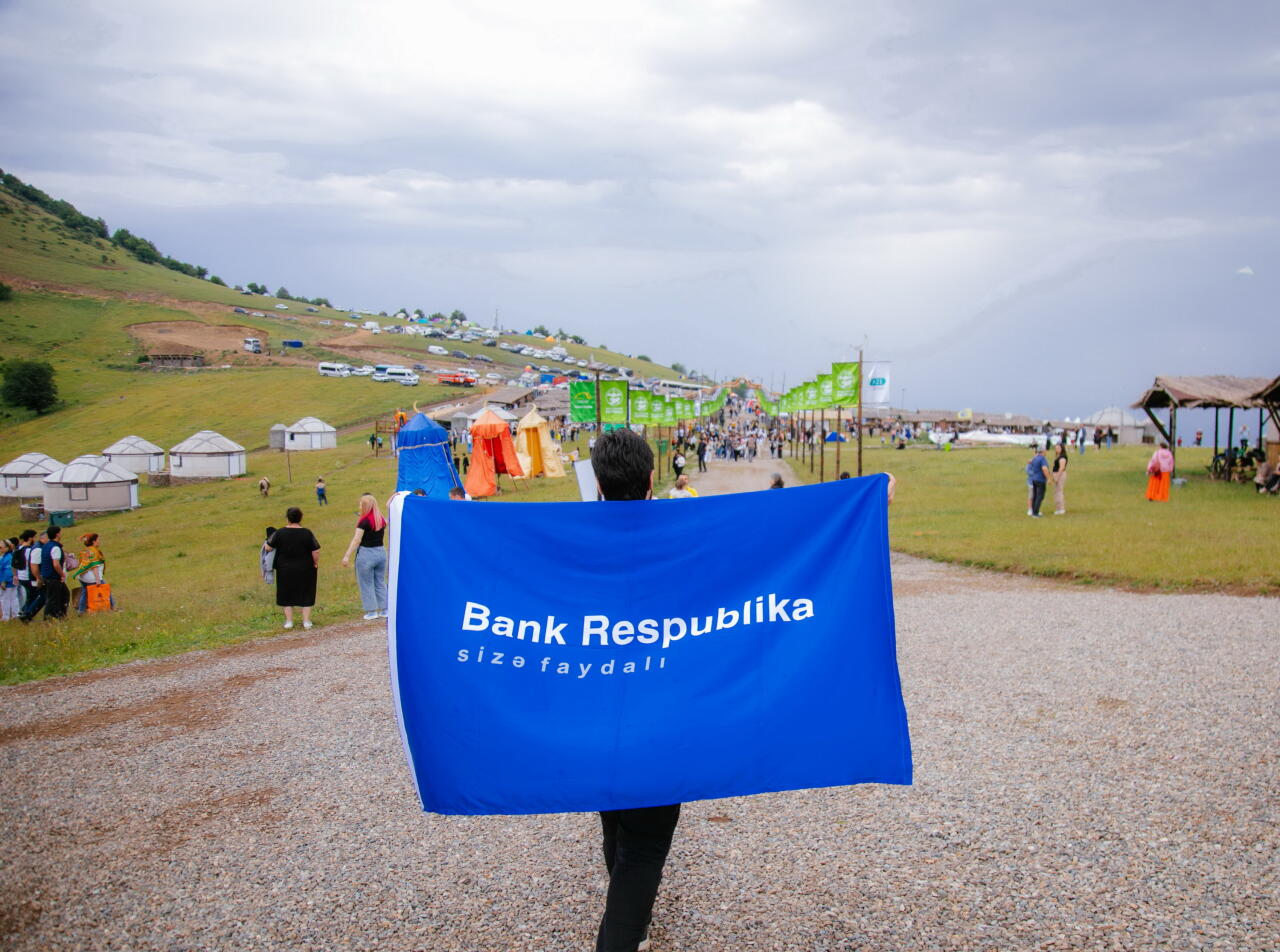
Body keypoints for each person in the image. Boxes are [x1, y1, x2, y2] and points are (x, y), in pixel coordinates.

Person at [589, 429, 680, 952]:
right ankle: (622, 936)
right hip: (659, 716)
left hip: (596, 712)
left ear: (598, 482)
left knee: (617, 821)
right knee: (643, 847)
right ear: (652, 478)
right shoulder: (682, 534)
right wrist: (870, 496)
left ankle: (632, 921)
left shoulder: (568, 540)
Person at [264, 507, 320, 629]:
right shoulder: (307, 533)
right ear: (301, 518)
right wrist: (315, 563)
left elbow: (268, 547)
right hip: (305, 567)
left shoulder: (279, 533)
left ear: (287, 518)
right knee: (307, 592)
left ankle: (289, 621)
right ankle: (306, 621)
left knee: (286, 593)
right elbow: (316, 550)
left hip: (284, 568)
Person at [341, 493, 387, 620]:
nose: (359, 506)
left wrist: (347, 556)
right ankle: (385, 609)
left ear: (365, 506)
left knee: (366, 583)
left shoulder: (364, 521)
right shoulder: (381, 520)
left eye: (361, 504)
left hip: (367, 554)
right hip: (381, 553)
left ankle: (371, 611)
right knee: (380, 582)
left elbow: (357, 540)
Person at [37, 525, 69, 620]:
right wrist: (62, 574)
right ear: (57, 534)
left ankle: (59, 614)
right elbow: (56, 564)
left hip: (47, 575)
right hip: (53, 576)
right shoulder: (55, 548)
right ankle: (51, 617)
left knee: (63, 594)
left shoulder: (46, 545)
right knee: (54, 598)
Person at [72, 532, 109, 613]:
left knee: (85, 593)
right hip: (91, 578)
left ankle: (81, 611)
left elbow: (81, 564)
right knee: (106, 590)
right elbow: (94, 566)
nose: (99, 541)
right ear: (93, 542)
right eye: (98, 540)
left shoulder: (85, 551)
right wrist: (97, 579)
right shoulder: (94, 551)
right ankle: (110, 608)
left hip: (82, 577)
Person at [1026, 446, 1049, 517]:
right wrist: (1049, 478)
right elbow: (1044, 468)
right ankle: (1035, 513)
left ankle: (1033, 511)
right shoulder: (1042, 459)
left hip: (1034, 479)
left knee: (1035, 496)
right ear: (1043, 451)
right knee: (1040, 496)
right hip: (1040, 479)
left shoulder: (1035, 458)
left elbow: (1030, 463)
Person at [0, 539, 17, 622]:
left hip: (7, 582)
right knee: (13, 598)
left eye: (1, 547)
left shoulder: (8, 557)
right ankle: (15, 614)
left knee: (5, 599)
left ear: (7, 547)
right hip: (10, 581)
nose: (0, 549)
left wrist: (4, 581)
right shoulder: (7, 556)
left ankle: (6, 616)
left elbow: (8, 570)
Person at [1050, 445, 1069, 515]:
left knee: (1059, 491)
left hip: (1060, 475)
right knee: (1056, 492)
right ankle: (1058, 508)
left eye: (1058, 448)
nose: (1056, 449)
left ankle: (1061, 508)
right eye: (1056, 448)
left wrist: (1057, 476)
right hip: (1056, 474)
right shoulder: (1058, 456)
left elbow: (1061, 468)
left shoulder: (1062, 457)